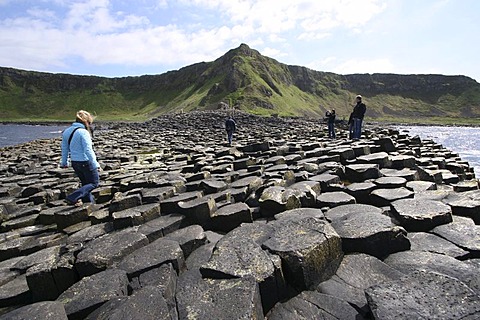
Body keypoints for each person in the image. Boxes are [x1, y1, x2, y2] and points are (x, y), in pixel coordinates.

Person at [61, 110, 100, 206]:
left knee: (85, 184)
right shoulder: (83, 132)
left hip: (75, 162)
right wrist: (95, 164)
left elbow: (64, 148)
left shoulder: (67, 131)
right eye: (90, 123)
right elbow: (88, 150)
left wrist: (64, 162)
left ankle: (89, 205)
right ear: (86, 121)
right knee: (94, 183)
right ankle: (73, 197)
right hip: (85, 162)